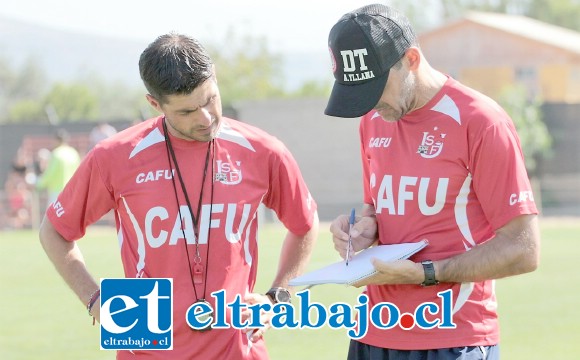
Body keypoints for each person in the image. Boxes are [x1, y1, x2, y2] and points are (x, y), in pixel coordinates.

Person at [39, 33, 319, 359]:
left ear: (215, 77)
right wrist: (95, 300)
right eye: (187, 112)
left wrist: (277, 297)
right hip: (145, 348)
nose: (205, 117)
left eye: (210, 99)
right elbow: (55, 231)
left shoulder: (263, 150)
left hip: (239, 348)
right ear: (155, 104)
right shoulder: (114, 157)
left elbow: (305, 224)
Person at [325, 4, 540, 360]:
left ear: (410, 59)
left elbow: (523, 249)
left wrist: (426, 273)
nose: (371, 103)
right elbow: (376, 211)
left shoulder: (481, 121)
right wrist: (362, 230)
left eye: (376, 87)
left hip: (453, 336)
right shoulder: (374, 121)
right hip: (374, 331)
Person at [36, 129, 81, 207]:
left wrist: (38, 184)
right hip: (73, 193)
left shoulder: (56, 154)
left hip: (57, 193)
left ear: (56, 140)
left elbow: (49, 175)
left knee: (53, 218)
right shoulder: (74, 153)